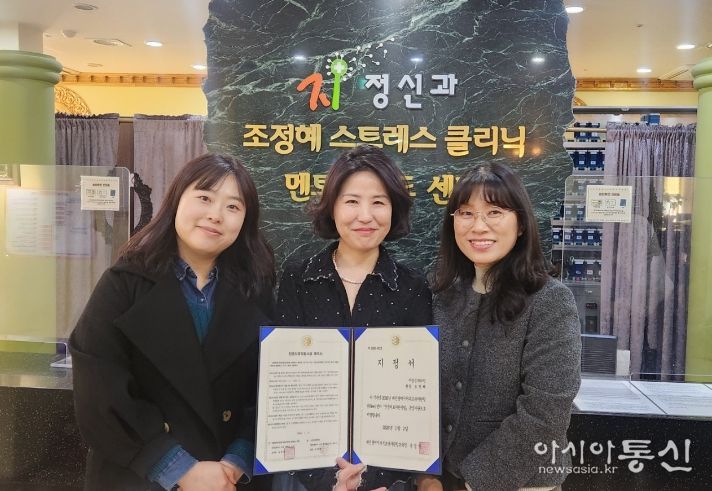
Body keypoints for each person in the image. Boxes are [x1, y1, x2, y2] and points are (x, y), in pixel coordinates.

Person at [70, 154, 275, 491]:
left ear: (245, 220)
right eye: (205, 197)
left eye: (233, 207)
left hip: (230, 479)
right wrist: (179, 468)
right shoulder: (123, 283)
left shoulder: (256, 290)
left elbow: (270, 386)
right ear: (177, 199)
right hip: (141, 475)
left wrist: (238, 459)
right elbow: (99, 392)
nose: (216, 215)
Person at [273, 144, 432, 491]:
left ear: (394, 209)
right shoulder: (298, 279)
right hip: (306, 471)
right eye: (351, 201)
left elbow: (417, 400)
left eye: (378, 202)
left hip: (388, 478)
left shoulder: (412, 286)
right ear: (332, 207)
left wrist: (374, 481)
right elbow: (286, 386)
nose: (365, 216)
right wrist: (328, 482)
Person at [431, 162, 581, 491]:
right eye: (466, 213)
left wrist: (474, 482)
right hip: (443, 480)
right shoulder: (442, 298)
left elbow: (546, 413)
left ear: (521, 224)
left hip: (522, 484)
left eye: (495, 212)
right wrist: (426, 474)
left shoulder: (550, 301)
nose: (478, 226)